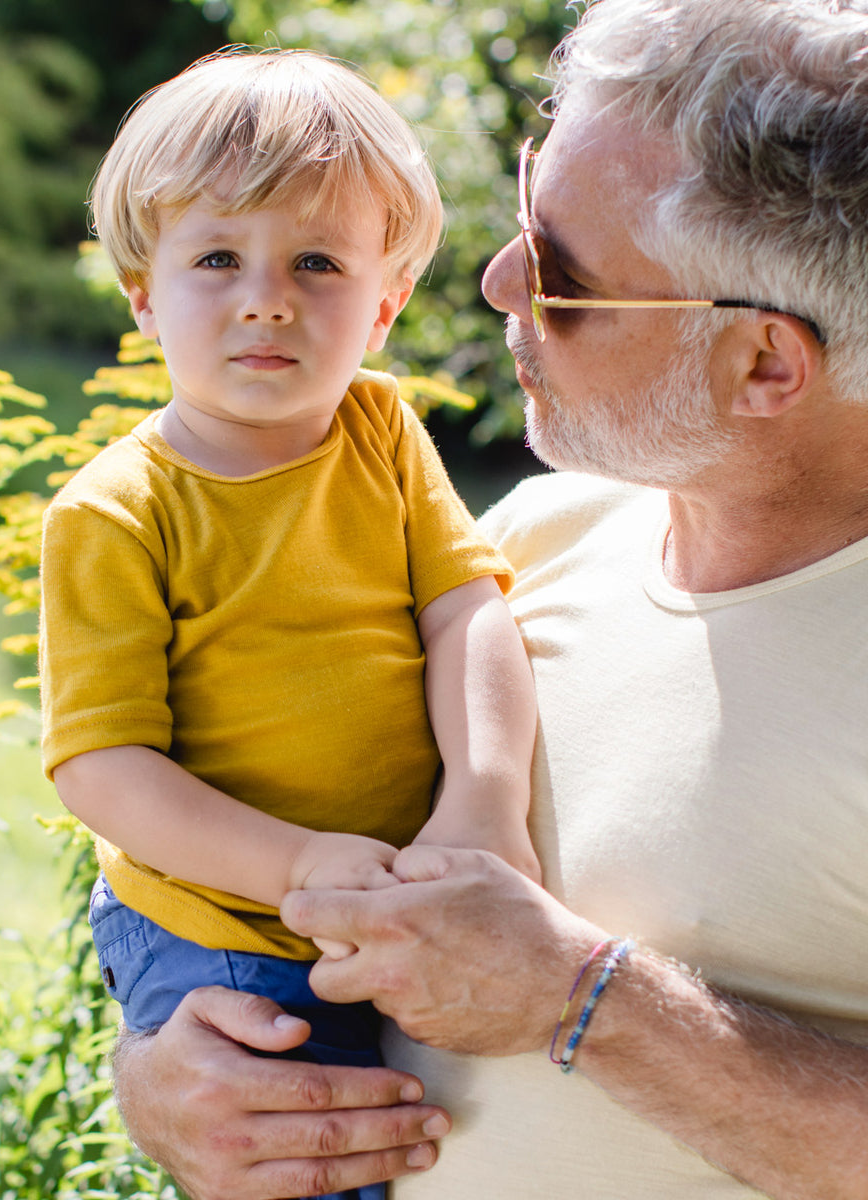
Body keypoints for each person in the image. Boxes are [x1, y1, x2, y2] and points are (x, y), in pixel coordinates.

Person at [106, 2, 868, 1198]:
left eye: (566, 273)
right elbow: (184, 823)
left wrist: (584, 1000)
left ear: (764, 363)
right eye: (528, 207)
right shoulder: (536, 534)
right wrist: (163, 1070)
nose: (498, 279)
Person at [38, 47, 540, 1198]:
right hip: (230, 929)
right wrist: (301, 864)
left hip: (396, 882)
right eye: (217, 257)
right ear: (142, 292)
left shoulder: (378, 429)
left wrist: (484, 796)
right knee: (311, 1145)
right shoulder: (118, 510)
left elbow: (467, 610)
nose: (267, 296)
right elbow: (104, 768)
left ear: (386, 301)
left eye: (318, 261)